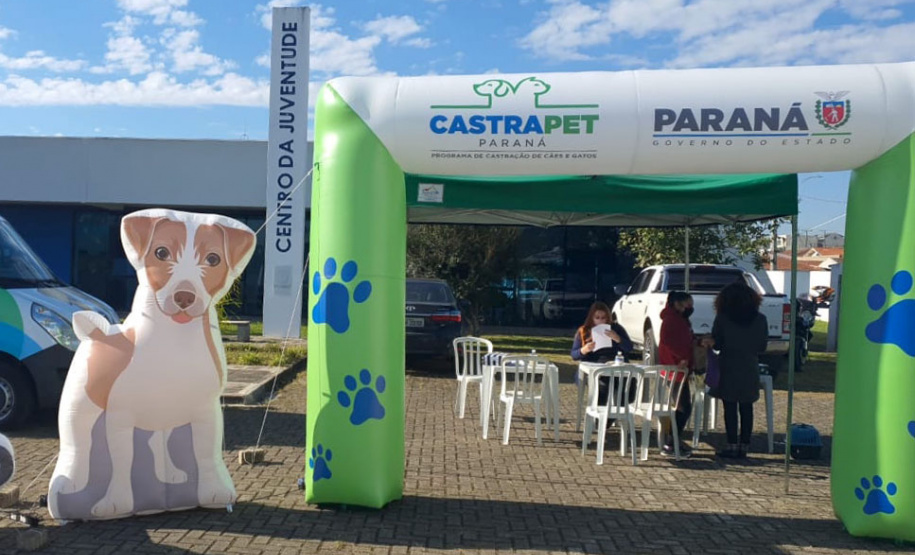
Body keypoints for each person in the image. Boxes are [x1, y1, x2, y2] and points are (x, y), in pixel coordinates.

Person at [708, 281, 769, 459]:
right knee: (747, 405)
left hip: (728, 363)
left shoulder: (722, 318)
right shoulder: (760, 319)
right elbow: (762, 346)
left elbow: (717, 343)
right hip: (749, 365)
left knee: (729, 406)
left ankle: (731, 443)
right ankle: (745, 445)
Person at [657, 291, 696, 458]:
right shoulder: (671, 320)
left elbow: (685, 339)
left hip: (680, 369)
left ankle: (674, 439)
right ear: (677, 304)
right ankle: (670, 442)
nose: (690, 307)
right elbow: (668, 342)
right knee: (683, 407)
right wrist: (681, 358)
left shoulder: (680, 320)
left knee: (683, 406)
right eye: (687, 304)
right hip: (674, 370)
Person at [571, 301, 634, 403]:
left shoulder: (616, 328)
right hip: (595, 366)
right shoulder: (584, 331)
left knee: (630, 382)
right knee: (602, 384)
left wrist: (618, 339)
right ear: (592, 318)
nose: (600, 321)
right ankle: (601, 414)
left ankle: (616, 412)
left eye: (603, 318)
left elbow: (629, 348)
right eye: (597, 318)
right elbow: (574, 355)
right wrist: (585, 349)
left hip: (615, 365)